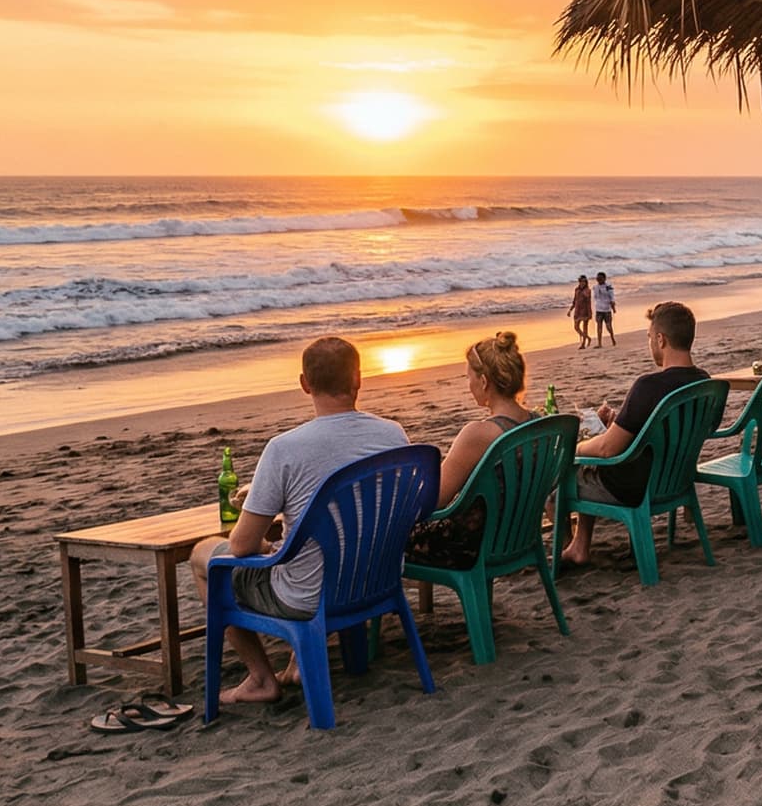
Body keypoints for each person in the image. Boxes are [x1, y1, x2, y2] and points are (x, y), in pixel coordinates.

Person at [188, 338, 409, 706]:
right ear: (358, 379)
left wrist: (257, 510)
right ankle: (297, 662)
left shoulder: (285, 449)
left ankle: (260, 676)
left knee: (203, 557)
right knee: (304, 547)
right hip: (376, 579)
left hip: (308, 595)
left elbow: (241, 547)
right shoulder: (393, 434)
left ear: (305, 383)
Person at [561, 301, 709, 568]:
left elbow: (608, 450)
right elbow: (681, 430)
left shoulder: (648, 386)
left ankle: (575, 549)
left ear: (661, 340)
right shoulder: (706, 383)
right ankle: (580, 545)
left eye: (650, 337)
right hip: (676, 480)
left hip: (634, 487)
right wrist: (623, 423)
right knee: (594, 459)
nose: (650, 342)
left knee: (566, 479)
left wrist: (578, 448)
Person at [405, 332, 536, 569]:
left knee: (391, 535)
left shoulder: (480, 434)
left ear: (484, 381)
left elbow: (435, 500)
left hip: (473, 546)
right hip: (518, 536)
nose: (469, 386)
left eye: (469, 377)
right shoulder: (540, 424)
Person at [592, 271, 618, 345]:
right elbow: (596, 297)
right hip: (598, 309)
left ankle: (612, 338)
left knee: (608, 326)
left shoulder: (608, 287)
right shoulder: (595, 287)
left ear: (604, 278)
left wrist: (613, 307)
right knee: (599, 326)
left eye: (600, 278)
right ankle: (599, 343)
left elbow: (612, 297)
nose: (598, 280)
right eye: (597, 278)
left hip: (606, 309)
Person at [570, 276, 593, 348]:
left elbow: (588, 302)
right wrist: (570, 310)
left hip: (585, 310)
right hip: (577, 310)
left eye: (584, 282)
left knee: (585, 327)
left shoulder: (588, 290)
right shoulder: (576, 289)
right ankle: (588, 338)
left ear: (586, 282)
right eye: (581, 281)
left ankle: (583, 344)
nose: (582, 283)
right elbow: (574, 301)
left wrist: (590, 313)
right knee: (576, 327)